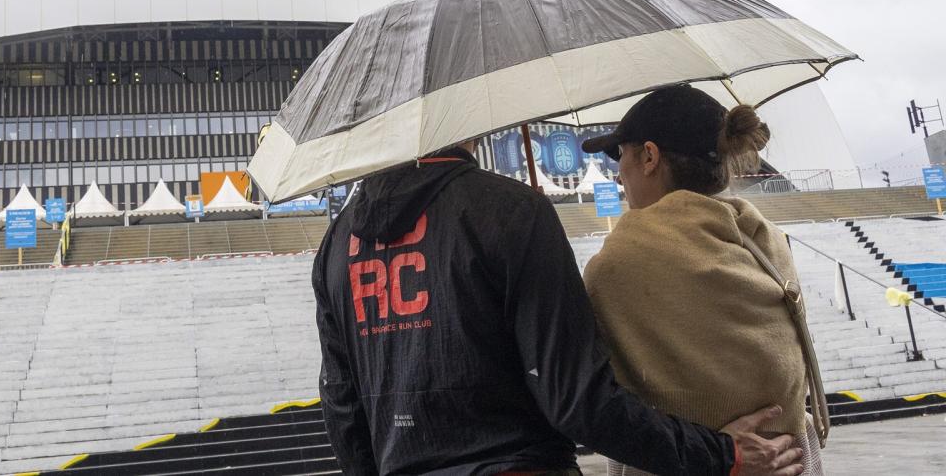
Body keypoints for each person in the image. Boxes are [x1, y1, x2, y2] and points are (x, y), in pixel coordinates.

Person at [313, 138, 805, 475]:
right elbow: (577, 400)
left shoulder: (336, 244)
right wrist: (719, 455)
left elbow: (342, 407)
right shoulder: (510, 211)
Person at [581, 85, 826, 476]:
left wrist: (718, 454)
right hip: (794, 460)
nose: (618, 174)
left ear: (649, 156)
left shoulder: (618, 264)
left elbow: (592, 403)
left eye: (621, 155)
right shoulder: (767, 240)